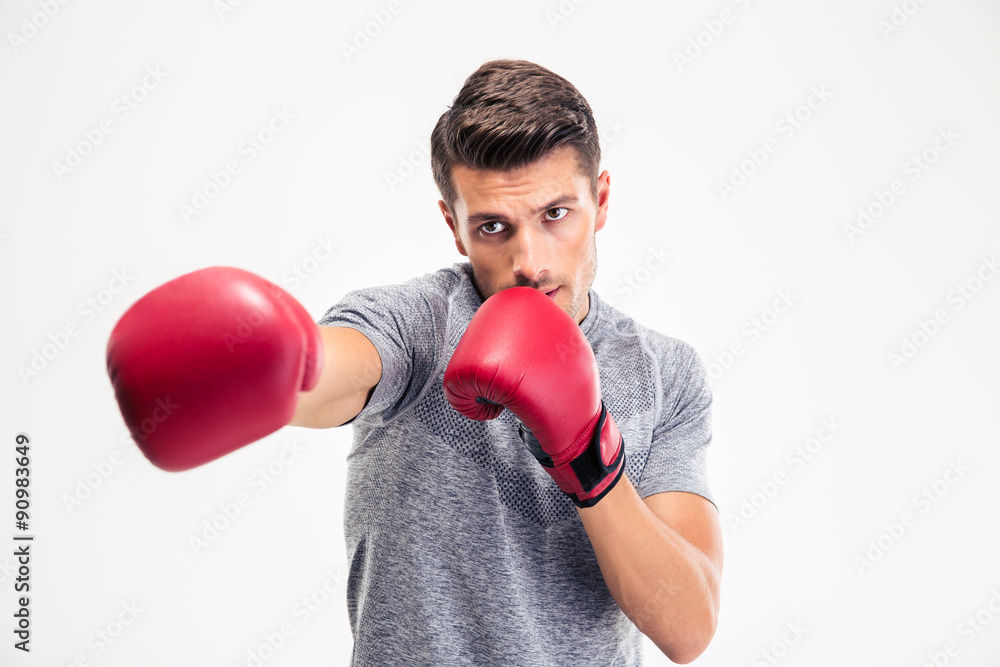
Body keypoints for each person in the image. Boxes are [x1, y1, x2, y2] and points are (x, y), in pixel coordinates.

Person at [106, 59, 722, 665]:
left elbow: (689, 628)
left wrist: (588, 453)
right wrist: (272, 367)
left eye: (555, 214)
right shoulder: (415, 323)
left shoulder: (665, 373)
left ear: (602, 201)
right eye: (492, 227)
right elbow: (334, 369)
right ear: (454, 227)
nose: (530, 262)